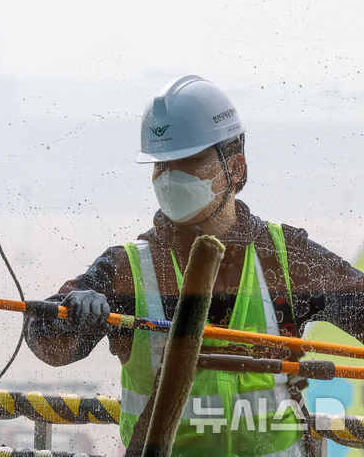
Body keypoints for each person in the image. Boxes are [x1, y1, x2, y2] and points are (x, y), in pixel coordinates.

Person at [24, 75, 364, 456]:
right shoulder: (128, 269)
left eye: (188, 162)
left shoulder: (285, 257)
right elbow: (48, 344)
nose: (170, 178)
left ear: (235, 169)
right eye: (161, 165)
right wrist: (69, 316)